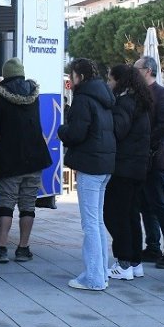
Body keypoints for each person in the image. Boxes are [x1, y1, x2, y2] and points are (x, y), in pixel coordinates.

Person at [0, 58, 54, 264]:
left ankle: (1, 247)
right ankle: (23, 249)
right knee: (28, 203)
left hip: (10, 156)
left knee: (6, 203)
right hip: (35, 156)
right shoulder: (33, 92)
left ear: (6, 74)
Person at [57, 58, 116, 291]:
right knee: (97, 222)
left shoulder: (83, 99)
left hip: (90, 166)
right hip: (105, 164)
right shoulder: (104, 98)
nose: (71, 79)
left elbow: (76, 134)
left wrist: (62, 129)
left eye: (72, 75)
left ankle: (93, 277)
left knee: (90, 223)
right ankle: (100, 273)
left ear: (79, 76)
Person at [134, 56, 164, 269]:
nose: (133, 72)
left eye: (136, 69)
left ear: (147, 70)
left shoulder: (162, 94)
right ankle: (152, 246)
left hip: (154, 159)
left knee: (159, 205)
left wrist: (145, 140)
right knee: (145, 205)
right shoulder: (139, 94)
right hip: (140, 160)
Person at [105, 63, 152, 280]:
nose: (108, 83)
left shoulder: (124, 102)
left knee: (115, 214)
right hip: (138, 167)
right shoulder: (141, 102)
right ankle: (134, 261)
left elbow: (118, 130)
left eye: (110, 79)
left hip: (123, 167)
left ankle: (123, 262)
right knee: (132, 214)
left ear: (119, 81)